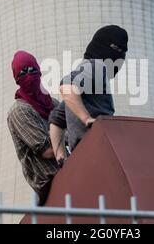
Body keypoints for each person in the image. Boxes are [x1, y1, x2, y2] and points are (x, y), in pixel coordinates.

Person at [49, 25, 129, 164]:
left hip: (83, 157)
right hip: (98, 150)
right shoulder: (96, 66)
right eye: (117, 49)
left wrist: (61, 157)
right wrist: (87, 119)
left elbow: (56, 119)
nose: (120, 56)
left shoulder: (80, 95)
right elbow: (66, 87)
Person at [7, 51, 61, 206]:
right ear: (17, 79)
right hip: (48, 182)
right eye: (23, 72)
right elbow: (48, 151)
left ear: (39, 71)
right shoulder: (20, 111)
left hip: (67, 169)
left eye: (32, 70)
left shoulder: (53, 104)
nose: (29, 76)